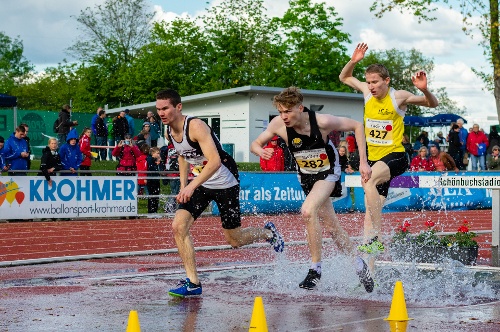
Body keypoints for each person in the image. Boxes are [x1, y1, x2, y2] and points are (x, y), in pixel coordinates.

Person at [156, 88, 284, 298]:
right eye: (158, 109)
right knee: (179, 226)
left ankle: (269, 233)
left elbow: (214, 161)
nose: (161, 113)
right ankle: (193, 283)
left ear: (178, 107)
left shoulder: (195, 125)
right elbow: (182, 156)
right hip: (202, 182)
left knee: (234, 240)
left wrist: (191, 186)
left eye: (166, 108)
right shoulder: (169, 130)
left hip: (225, 181)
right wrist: (183, 185)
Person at [251, 86, 374, 292]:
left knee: (308, 211)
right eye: (280, 112)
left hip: (328, 172)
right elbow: (256, 143)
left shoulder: (322, 122)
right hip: (306, 175)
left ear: (300, 108)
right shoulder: (278, 124)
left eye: (288, 111)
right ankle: (359, 264)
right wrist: (259, 151)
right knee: (332, 227)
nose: (284, 117)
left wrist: (363, 162)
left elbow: (357, 125)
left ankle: (315, 269)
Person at [339, 43, 438, 273]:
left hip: (395, 156)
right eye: (369, 82)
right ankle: (370, 271)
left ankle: (378, 235)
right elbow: (344, 77)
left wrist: (424, 89)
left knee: (369, 180)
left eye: (375, 82)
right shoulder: (366, 92)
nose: (371, 86)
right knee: (369, 214)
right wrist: (353, 61)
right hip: (374, 160)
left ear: (387, 81)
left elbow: (432, 104)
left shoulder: (399, 97)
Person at [147, 147, 165, 213]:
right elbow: (151, 168)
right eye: (157, 153)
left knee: (156, 195)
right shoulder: (149, 159)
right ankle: (151, 210)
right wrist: (157, 163)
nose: (159, 155)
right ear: (153, 153)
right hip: (151, 180)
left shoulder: (156, 160)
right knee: (152, 195)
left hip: (156, 179)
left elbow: (160, 169)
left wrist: (159, 163)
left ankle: (155, 210)